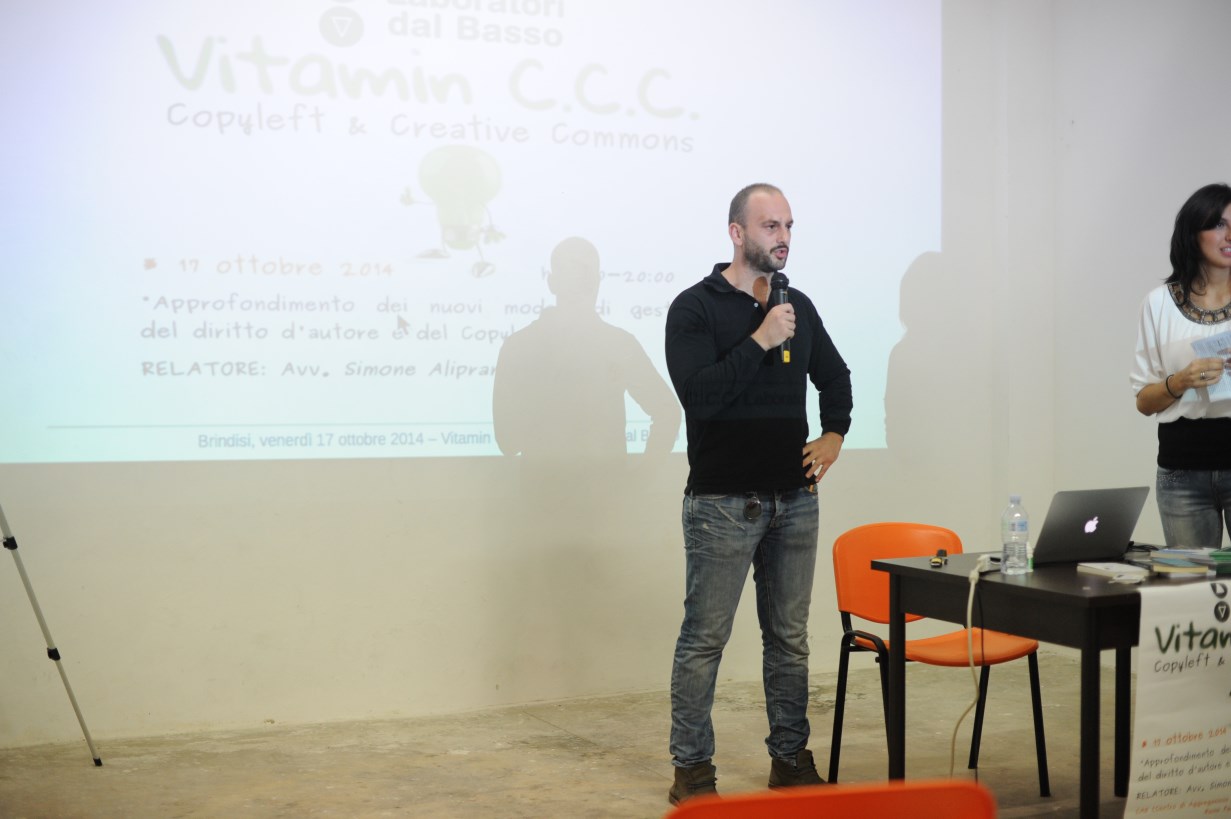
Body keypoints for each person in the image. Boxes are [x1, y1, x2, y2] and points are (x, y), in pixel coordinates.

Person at [663, 183, 852, 804]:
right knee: (704, 641)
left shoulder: (798, 306)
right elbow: (700, 397)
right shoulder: (694, 308)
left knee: (790, 640)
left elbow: (836, 376)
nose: (784, 237)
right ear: (737, 233)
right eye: (771, 226)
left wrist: (833, 435)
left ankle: (790, 760)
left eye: (789, 226)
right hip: (722, 504)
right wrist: (761, 340)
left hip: (794, 501)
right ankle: (693, 771)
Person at [1132, 182, 1231, 547]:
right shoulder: (1159, 303)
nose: (1230, 235)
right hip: (1181, 471)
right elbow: (1144, 402)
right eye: (1219, 224)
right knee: (1192, 580)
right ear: (1193, 232)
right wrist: (1180, 381)